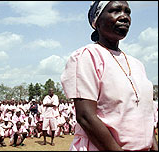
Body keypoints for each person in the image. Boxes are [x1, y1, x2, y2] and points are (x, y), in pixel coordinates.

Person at [61, 1, 158, 151]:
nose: (124, 17)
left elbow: (145, 115)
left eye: (128, 12)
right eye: (116, 10)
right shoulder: (87, 56)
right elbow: (86, 117)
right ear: (97, 21)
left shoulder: (137, 64)